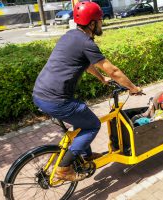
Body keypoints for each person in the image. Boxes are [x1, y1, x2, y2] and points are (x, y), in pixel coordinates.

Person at [32, 1, 142, 181]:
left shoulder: (71, 36)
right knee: (93, 124)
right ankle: (63, 168)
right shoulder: (86, 43)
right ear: (92, 23)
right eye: (99, 20)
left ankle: (86, 156)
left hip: (40, 94)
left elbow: (86, 64)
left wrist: (101, 79)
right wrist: (133, 88)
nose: (101, 23)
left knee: (81, 116)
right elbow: (113, 70)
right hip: (56, 99)